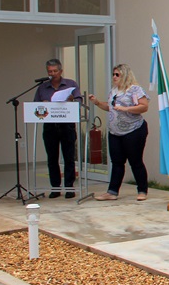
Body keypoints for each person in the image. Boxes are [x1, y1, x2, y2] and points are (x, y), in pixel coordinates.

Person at [88, 64, 149, 201]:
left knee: (135, 161)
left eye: (117, 74)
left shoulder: (135, 90)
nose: (114, 77)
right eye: (113, 74)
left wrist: (126, 109)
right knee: (116, 162)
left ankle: (142, 190)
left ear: (125, 75)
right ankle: (112, 191)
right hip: (115, 132)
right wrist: (97, 102)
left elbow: (144, 106)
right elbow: (110, 107)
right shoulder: (114, 91)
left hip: (133, 130)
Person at [34, 58, 82, 198]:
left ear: (61, 71)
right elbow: (35, 105)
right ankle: (55, 187)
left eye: (55, 71)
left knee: (68, 157)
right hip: (50, 127)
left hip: (67, 125)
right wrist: (43, 103)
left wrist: (71, 100)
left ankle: (69, 188)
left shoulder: (70, 84)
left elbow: (79, 100)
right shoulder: (42, 87)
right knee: (52, 158)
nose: (53, 73)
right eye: (50, 71)